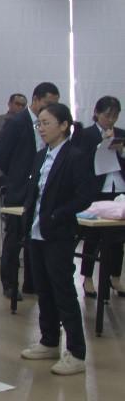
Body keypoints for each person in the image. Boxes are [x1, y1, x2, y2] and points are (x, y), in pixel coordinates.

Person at [19, 103, 96, 376]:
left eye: (46, 123)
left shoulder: (75, 156)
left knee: (63, 290)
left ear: (64, 126)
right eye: (38, 123)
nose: (41, 128)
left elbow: (85, 196)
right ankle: (49, 341)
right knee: (43, 289)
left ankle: (76, 352)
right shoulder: (42, 155)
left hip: (59, 233)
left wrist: (58, 214)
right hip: (36, 232)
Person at [0, 82, 61, 301]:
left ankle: (31, 282)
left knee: (35, 236)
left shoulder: (51, 125)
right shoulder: (17, 122)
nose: (50, 107)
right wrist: (17, 176)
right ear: (36, 99)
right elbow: (2, 156)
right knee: (14, 237)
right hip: (20, 188)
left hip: (42, 188)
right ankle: (9, 283)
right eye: (47, 103)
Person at [72, 96, 124, 298]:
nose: (111, 120)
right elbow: (78, 161)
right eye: (107, 115)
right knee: (93, 236)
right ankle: (87, 277)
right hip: (96, 189)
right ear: (97, 113)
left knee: (118, 237)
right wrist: (100, 146)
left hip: (118, 187)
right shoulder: (85, 134)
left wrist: (122, 150)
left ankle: (115, 276)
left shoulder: (121, 134)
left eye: (115, 116)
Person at [0, 93, 28, 224]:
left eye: (23, 105)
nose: (20, 107)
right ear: (9, 104)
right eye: (17, 104)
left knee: (19, 192)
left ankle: (14, 222)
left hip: (19, 163)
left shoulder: (29, 123)